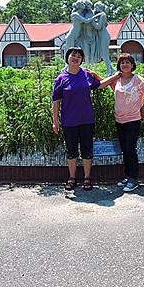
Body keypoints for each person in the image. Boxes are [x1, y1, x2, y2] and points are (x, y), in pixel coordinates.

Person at [93, 53, 144, 192]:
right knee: (124, 149)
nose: (125, 65)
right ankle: (128, 176)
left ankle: (133, 179)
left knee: (130, 149)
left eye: (127, 62)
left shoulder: (138, 80)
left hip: (133, 120)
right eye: (122, 62)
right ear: (119, 66)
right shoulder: (118, 81)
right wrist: (96, 75)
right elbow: (104, 85)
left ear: (133, 65)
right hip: (119, 119)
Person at [52, 47, 101, 191]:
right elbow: (56, 102)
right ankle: (72, 177)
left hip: (87, 119)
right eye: (73, 55)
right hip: (69, 121)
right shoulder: (61, 78)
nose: (76, 58)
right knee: (71, 150)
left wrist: (100, 75)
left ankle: (87, 178)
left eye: (79, 56)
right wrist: (55, 121)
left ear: (82, 60)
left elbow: (101, 85)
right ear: (67, 57)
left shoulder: (86, 74)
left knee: (87, 150)